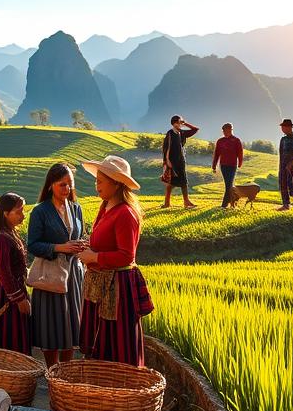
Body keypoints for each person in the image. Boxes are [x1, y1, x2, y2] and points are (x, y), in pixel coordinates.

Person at [78, 156, 154, 367]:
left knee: (117, 342)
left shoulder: (125, 214)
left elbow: (126, 255)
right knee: (99, 338)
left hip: (118, 288)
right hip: (101, 284)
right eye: (97, 181)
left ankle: (120, 381)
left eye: (101, 181)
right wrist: (89, 248)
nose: (97, 186)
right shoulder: (105, 207)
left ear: (117, 183)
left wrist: (94, 257)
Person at [27, 162, 86, 367]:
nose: (67, 189)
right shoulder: (40, 211)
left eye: (70, 184)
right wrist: (60, 247)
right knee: (50, 325)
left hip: (73, 275)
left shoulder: (76, 209)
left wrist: (81, 245)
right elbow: (33, 245)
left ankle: (66, 370)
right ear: (51, 185)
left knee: (71, 324)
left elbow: (80, 235)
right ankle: (52, 369)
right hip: (50, 276)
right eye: (62, 184)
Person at [0, 193, 32, 355]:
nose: (23, 215)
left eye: (23, 211)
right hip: (6, 296)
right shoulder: (2, 239)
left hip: (12, 292)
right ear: (6, 213)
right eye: (18, 212)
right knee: (8, 336)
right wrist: (19, 299)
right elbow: (5, 273)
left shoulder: (9, 234)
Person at [163, 115, 199, 208]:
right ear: (174, 123)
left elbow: (195, 129)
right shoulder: (170, 133)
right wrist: (167, 160)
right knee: (171, 182)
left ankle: (186, 202)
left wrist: (185, 123)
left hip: (181, 161)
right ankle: (167, 203)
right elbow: (166, 147)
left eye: (180, 122)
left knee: (183, 181)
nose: (180, 124)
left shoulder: (182, 133)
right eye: (178, 122)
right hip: (172, 161)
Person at [212, 123, 244, 209]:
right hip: (223, 166)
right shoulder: (220, 141)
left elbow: (240, 152)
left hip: (232, 165)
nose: (224, 132)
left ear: (230, 130)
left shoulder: (236, 140)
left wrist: (240, 163)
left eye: (226, 130)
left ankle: (225, 205)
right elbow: (216, 154)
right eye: (223, 131)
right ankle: (233, 201)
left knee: (229, 185)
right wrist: (214, 166)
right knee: (228, 184)